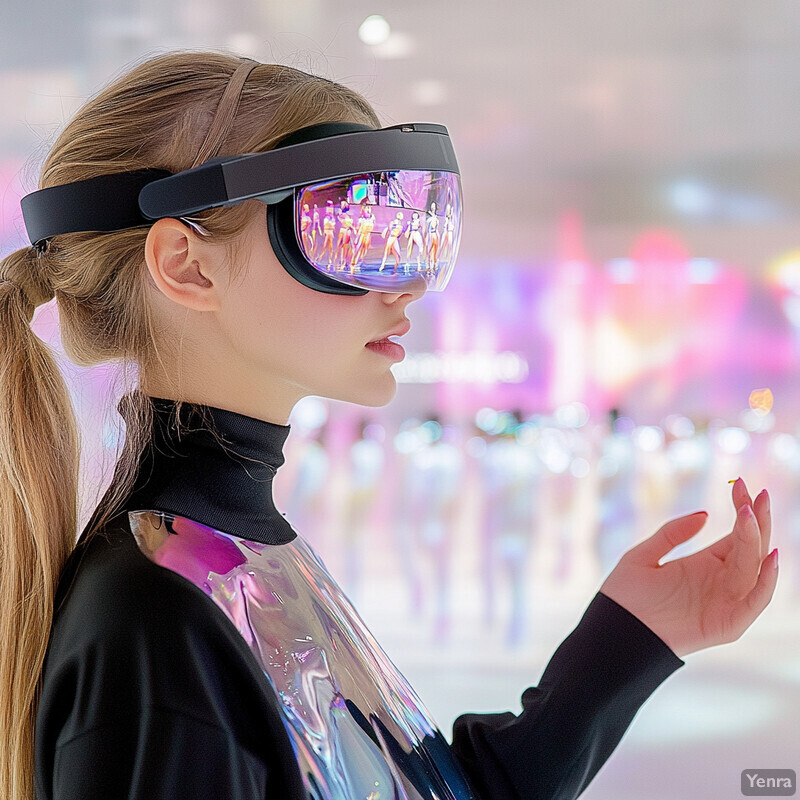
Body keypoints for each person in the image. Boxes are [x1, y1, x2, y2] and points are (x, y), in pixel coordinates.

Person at [0, 52, 778, 800]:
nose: (404, 286)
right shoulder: (157, 623)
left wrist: (631, 641)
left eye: (408, 233)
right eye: (342, 231)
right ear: (188, 266)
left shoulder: (220, 555)